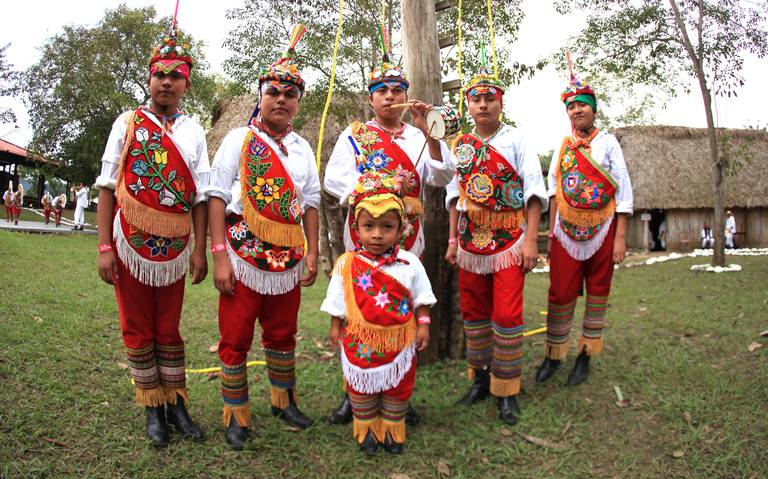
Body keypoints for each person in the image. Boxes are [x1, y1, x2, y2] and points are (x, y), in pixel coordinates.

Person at [323, 40, 454, 426]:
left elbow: (443, 175)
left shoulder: (417, 136)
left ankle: (398, 389)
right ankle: (353, 391)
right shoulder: (355, 135)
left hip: (408, 239)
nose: (391, 96)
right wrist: (382, 184)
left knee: (401, 311)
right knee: (359, 312)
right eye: (382, 90)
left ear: (406, 96)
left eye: (398, 90)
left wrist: (430, 133)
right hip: (364, 237)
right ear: (371, 99)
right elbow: (334, 179)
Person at [94, 20, 209, 447]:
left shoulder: (193, 130)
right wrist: (105, 246)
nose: (167, 82)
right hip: (130, 244)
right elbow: (108, 186)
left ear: (186, 84)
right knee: (138, 327)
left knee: (168, 327)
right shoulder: (128, 122)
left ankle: (176, 403)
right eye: (160, 73)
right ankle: (152, 408)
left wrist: (200, 249)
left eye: (176, 76)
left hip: (175, 249)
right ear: (149, 78)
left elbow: (200, 196)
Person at [207, 25, 320, 450]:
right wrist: (219, 254)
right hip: (243, 254)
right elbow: (217, 196)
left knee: (283, 332)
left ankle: (283, 401)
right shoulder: (240, 139)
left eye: (290, 94)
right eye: (274, 92)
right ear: (261, 95)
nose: (281, 100)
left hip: (288, 257)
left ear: (297, 102)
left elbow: (311, 203)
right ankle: (236, 413)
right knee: (236, 335)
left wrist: (313, 253)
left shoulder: (303, 148)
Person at [444, 65, 547, 425]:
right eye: (477, 99)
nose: (483, 105)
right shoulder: (461, 145)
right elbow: (454, 196)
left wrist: (531, 241)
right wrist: (453, 240)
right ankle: (481, 379)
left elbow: (534, 190)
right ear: (468, 105)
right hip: (470, 243)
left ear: (501, 102)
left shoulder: (516, 139)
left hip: (509, 240)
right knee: (474, 312)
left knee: (506, 314)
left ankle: (506, 389)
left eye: (490, 98)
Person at [321, 169, 436, 455]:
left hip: (400, 343)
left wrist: (423, 325)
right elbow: (338, 299)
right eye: (369, 226)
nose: (376, 234)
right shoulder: (347, 263)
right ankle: (367, 431)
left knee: (398, 387)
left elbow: (422, 298)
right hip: (359, 343)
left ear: (400, 229)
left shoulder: (410, 263)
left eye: (386, 227)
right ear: (356, 228)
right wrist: (335, 326)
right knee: (361, 387)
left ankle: (393, 430)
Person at [535, 64, 633, 386]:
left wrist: (620, 238)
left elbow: (623, 189)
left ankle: (586, 353)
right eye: (571, 106)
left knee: (598, 289)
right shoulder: (563, 146)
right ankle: (554, 354)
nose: (576, 110)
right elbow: (554, 190)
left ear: (593, 108)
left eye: (582, 105)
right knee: (560, 291)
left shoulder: (608, 143)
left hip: (603, 230)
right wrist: (552, 233)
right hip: (565, 232)